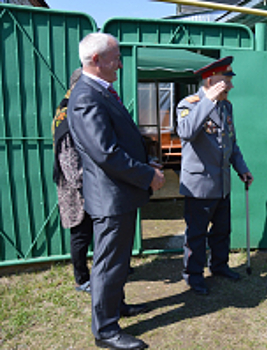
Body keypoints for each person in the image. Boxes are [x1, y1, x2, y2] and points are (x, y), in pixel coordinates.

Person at [68, 33, 165, 350]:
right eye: (116, 57)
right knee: (109, 264)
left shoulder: (100, 92)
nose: (121, 64)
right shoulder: (86, 95)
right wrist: (147, 175)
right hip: (111, 196)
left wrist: (146, 160)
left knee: (118, 260)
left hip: (119, 194)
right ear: (96, 60)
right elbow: (106, 152)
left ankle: (116, 307)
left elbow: (120, 141)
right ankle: (106, 330)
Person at [176, 56, 253, 296]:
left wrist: (241, 167)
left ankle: (219, 266)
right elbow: (186, 132)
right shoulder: (188, 103)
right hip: (198, 184)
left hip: (222, 183)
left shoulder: (226, 107)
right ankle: (194, 275)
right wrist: (207, 100)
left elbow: (231, 142)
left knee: (222, 230)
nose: (230, 86)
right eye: (226, 81)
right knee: (196, 234)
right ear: (210, 80)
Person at [52, 68, 93, 294]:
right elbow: (69, 160)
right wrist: (85, 185)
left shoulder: (69, 108)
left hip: (83, 184)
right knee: (80, 234)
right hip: (76, 188)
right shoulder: (67, 115)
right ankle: (81, 278)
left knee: (91, 231)